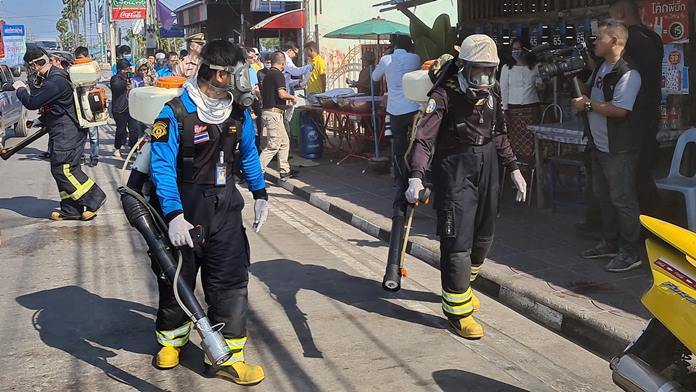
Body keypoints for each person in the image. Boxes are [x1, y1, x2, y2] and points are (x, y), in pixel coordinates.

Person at [149, 39, 268, 385]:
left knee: (230, 283)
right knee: (176, 281)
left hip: (226, 208)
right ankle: (171, 342)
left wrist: (260, 193)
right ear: (218, 75)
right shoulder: (174, 113)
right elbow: (162, 168)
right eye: (237, 73)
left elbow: (247, 155)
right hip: (185, 208)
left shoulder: (237, 113)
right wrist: (172, 215)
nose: (242, 80)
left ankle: (228, 357)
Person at [405, 35, 526, 339]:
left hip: (487, 164)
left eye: (489, 71)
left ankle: (462, 287)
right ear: (463, 68)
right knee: (457, 241)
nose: (483, 78)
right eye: (478, 71)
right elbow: (424, 139)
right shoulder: (444, 96)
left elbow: (498, 134)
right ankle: (458, 312)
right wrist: (416, 176)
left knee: (483, 238)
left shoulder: (493, 93)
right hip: (455, 167)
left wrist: (513, 168)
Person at [572, 20, 643, 273]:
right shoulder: (603, 66)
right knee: (604, 197)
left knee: (623, 200)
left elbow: (621, 110)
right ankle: (610, 242)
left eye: (599, 38)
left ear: (615, 41)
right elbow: (590, 93)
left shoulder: (628, 73)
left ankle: (630, 251)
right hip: (599, 145)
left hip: (618, 148)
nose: (595, 42)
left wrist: (588, 105)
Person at [14, 47, 107, 220]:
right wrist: (39, 121)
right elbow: (57, 106)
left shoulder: (54, 81)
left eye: (30, 67)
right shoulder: (56, 76)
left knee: (61, 169)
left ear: (34, 65)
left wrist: (19, 89)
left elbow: (32, 102)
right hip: (66, 128)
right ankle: (71, 209)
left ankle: (94, 197)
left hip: (67, 131)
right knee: (69, 168)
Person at [609, 0, 664, 217]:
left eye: (612, 16)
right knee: (643, 171)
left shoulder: (628, 42)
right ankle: (652, 222)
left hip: (632, 116)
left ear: (621, 13)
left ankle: (640, 227)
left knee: (632, 175)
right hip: (651, 111)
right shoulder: (654, 38)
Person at [372, 34, 421, 218]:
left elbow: (375, 78)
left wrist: (386, 58)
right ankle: (417, 176)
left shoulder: (386, 59)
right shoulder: (415, 58)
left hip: (396, 110)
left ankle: (401, 180)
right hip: (413, 108)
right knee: (416, 145)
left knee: (399, 148)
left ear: (393, 46)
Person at [500, 38, 544, 160]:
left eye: (519, 49)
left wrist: (541, 86)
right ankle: (518, 166)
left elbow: (541, 85)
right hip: (514, 111)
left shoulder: (536, 67)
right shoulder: (506, 68)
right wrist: (505, 110)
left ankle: (534, 165)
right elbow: (504, 90)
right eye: (514, 49)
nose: (517, 52)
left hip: (532, 109)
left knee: (533, 140)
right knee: (516, 141)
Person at [259, 51, 297, 180]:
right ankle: (257, 172)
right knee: (273, 144)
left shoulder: (267, 75)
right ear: (282, 63)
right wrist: (292, 97)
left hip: (273, 112)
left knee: (285, 142)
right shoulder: (278, 75)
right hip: (273, 114)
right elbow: (282, 94)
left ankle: (284, 170)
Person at [74, 46, 100, 167]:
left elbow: (96, 80)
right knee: (80, 135)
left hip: (92, 103)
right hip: (78, 104)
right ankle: (81, 156)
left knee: (93, 135)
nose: (79, 61)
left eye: (81, 58)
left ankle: (94, 156)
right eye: (77, 58)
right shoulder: (73, 69)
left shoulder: (93, 67)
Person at [110, 59, 141, 158]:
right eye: (125, 69)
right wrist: (125, 84)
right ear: (120, 70)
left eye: (128, 69)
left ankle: (133, 149)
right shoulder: (115, 78)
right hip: (120, 109)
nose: (127, 71)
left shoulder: (131, 78)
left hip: (131, 108)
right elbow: (116, 87)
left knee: (134, 130)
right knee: (121, 130)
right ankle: (117, 147)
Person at [281, 43, 313, 133]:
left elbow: (286, 79)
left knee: (286, 118)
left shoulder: (284, 58)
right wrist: (308, 67)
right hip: (283, 92)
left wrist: (297, 82)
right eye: (295, 53)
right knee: (286, 118)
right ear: (290, 50)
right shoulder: (285, 59)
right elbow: (295, 72)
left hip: (285, 89)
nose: (295, 56)